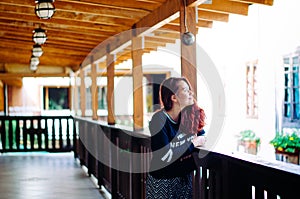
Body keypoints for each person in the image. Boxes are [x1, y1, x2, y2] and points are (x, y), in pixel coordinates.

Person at [146, 77, 207, 199]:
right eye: (185, 90)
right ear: (174, 97)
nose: (191, 93)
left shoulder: (188, 116)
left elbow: (202, 136)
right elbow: (165, 155)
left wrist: (196, 141)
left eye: (190, 89)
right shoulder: (159, 120)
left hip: (184, 179)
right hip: (162, 181)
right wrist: (192, 144)